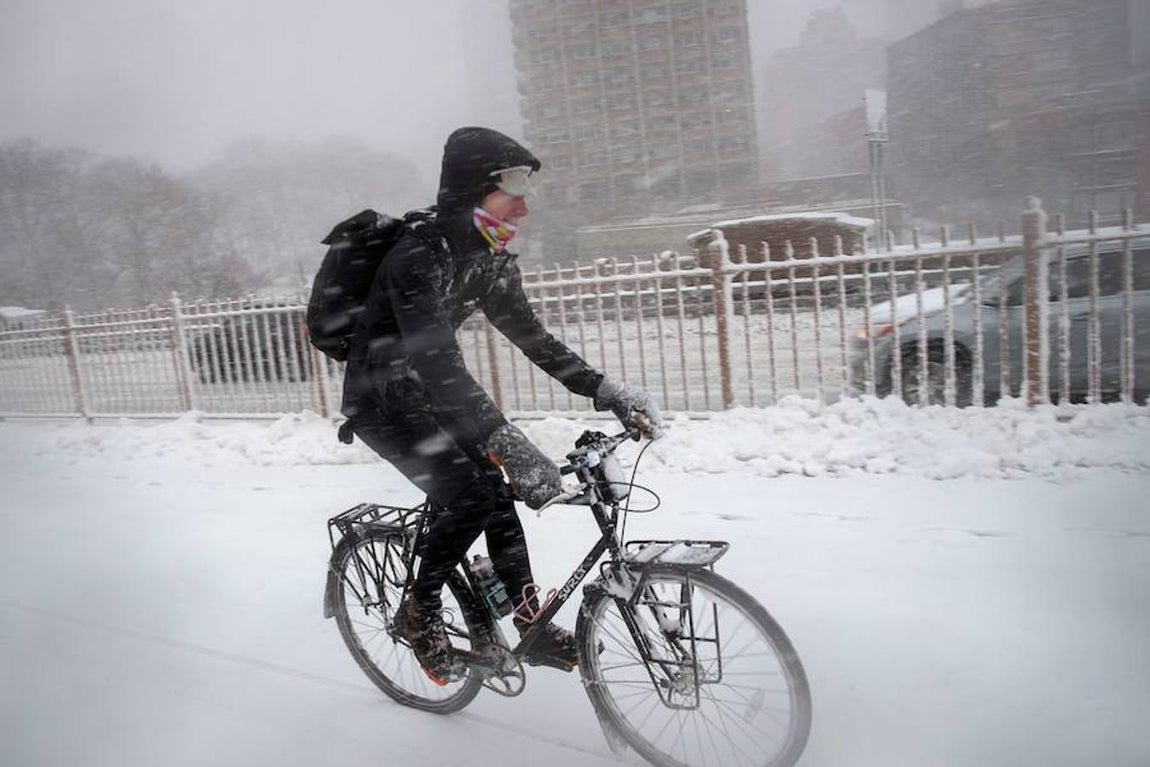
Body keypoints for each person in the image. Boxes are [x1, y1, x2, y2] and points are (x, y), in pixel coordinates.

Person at [339, 126, 663, 684]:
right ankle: (420, 610)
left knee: (498, 491)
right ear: (472, 190)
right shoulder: (417, 257)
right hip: (384, 401)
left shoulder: (490, 259)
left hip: (436, 397)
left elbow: (534, 339)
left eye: (526, 188)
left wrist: (606, 390)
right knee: (470, 495)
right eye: (512, 186)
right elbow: (438, 362)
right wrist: (503, 437)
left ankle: (527, 621)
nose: (524, 205)